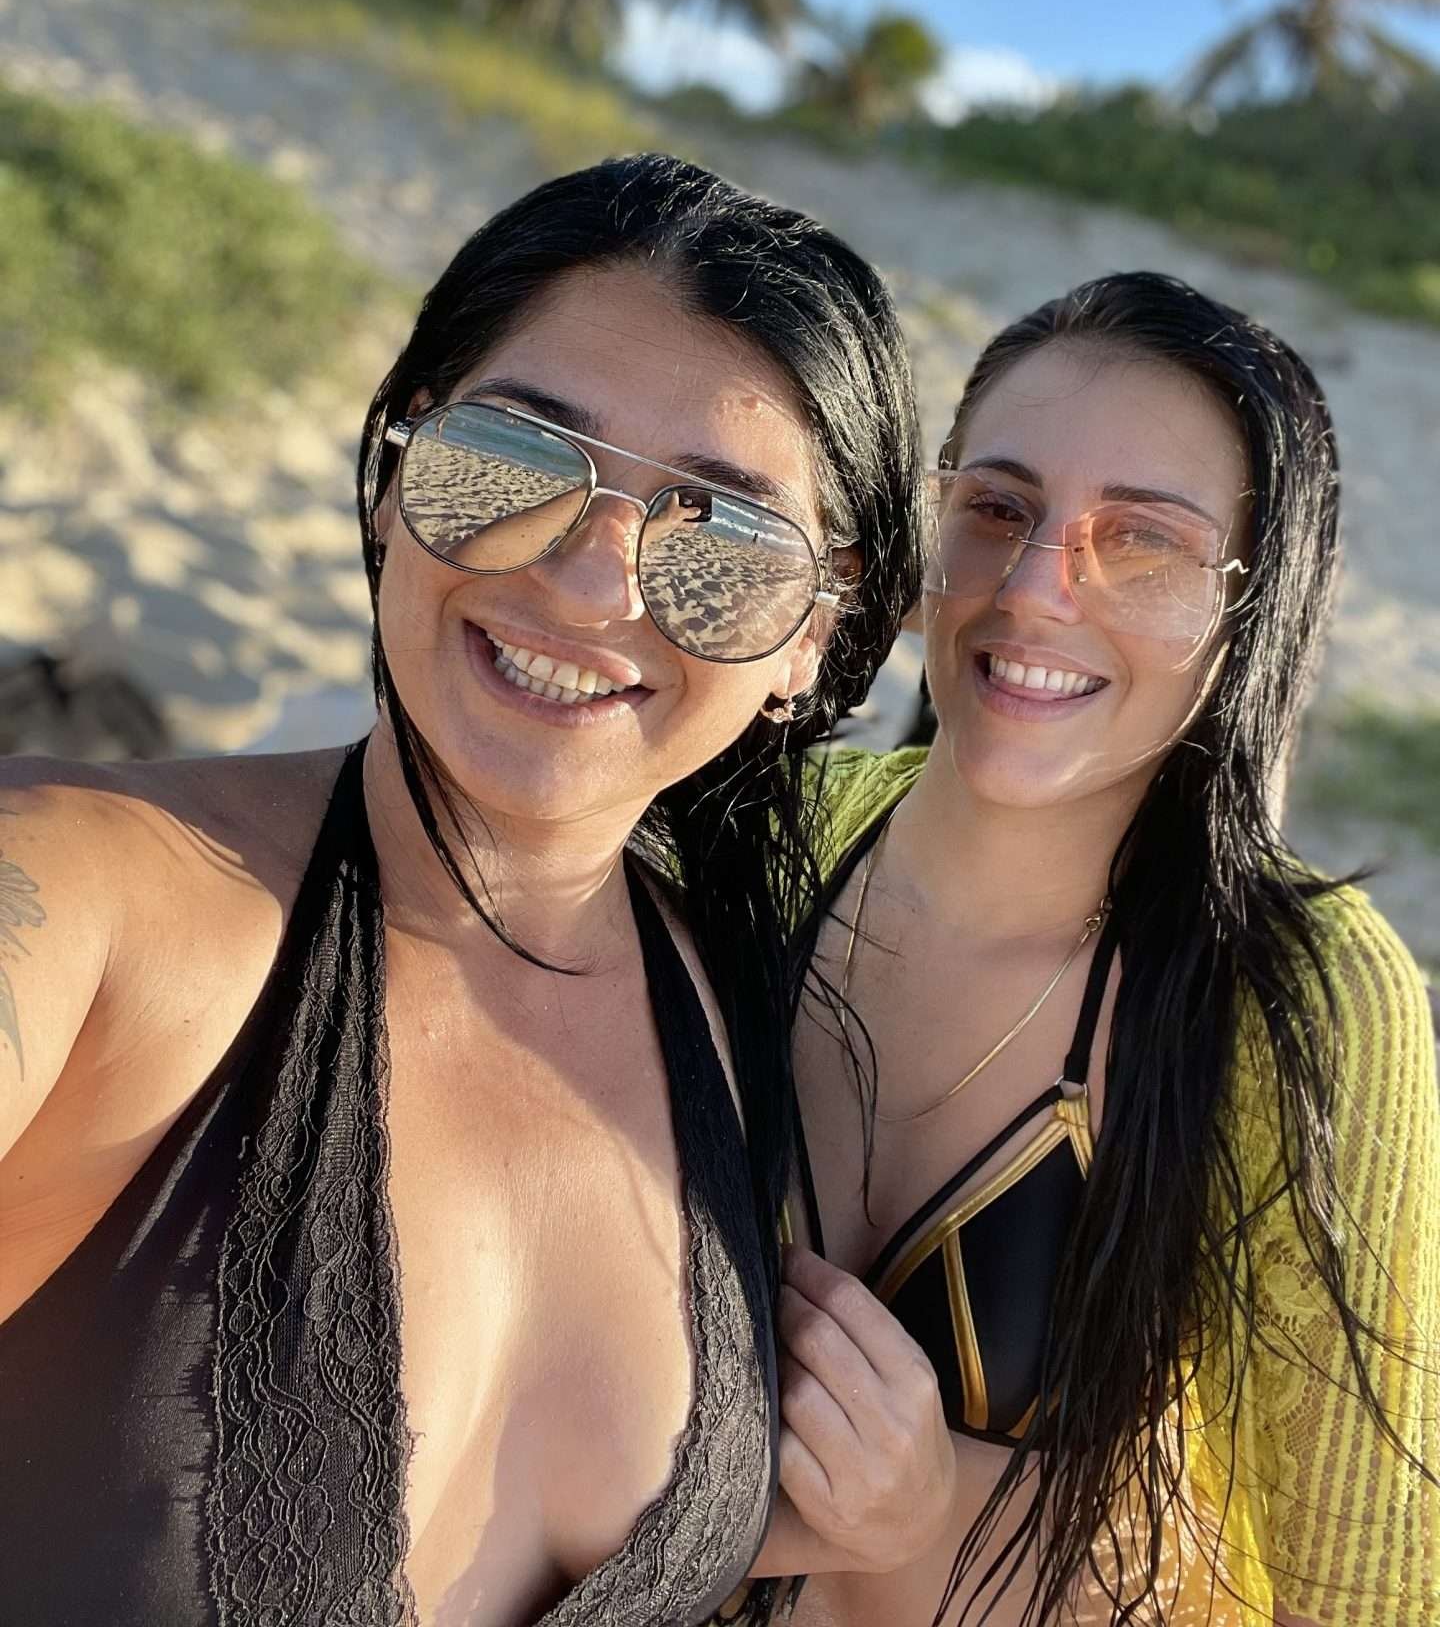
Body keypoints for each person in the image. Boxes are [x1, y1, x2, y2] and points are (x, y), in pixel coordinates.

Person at [0, 154, 956, 1627]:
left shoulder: (748, 1019)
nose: (589, 587)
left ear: (815, 652)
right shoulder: (108, 901)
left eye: (726, 541)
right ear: (393, 476)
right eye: (511, 460)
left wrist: (874, 1517)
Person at [787, 273, 1440, 1626]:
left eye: (1144, 544)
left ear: (1251, 609)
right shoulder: (761, 841)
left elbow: (1364, 1594)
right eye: (1000, 510)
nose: (1037, 592)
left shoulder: (1292, 992)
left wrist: (935, 1505)